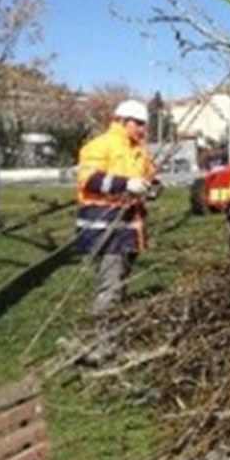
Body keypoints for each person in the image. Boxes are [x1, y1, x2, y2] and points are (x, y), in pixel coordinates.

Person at [75, 99, 159, 320]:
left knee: (121, 283)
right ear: (121, 121)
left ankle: (114, 332)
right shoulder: (99, 146)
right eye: (138, 123)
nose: (142, 129)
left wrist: (151, 187)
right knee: (110, 286)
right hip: (105, 228)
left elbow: (149, 177)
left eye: (144, 124)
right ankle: (102, 339)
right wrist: (125, 184)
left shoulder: (139, 151)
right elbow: (89, 179)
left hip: (129, 229)